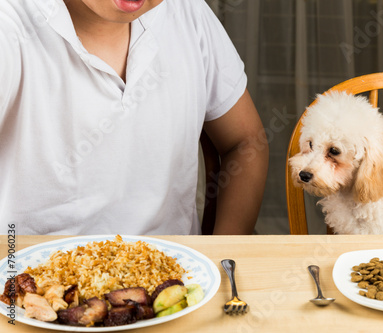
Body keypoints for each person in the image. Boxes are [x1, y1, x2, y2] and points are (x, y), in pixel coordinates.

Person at [0, 0, 269, 235]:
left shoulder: (187, 12)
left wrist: (222, 261)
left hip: (175, 277)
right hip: (24, 279)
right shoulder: (10, 25)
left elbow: (245, 142)